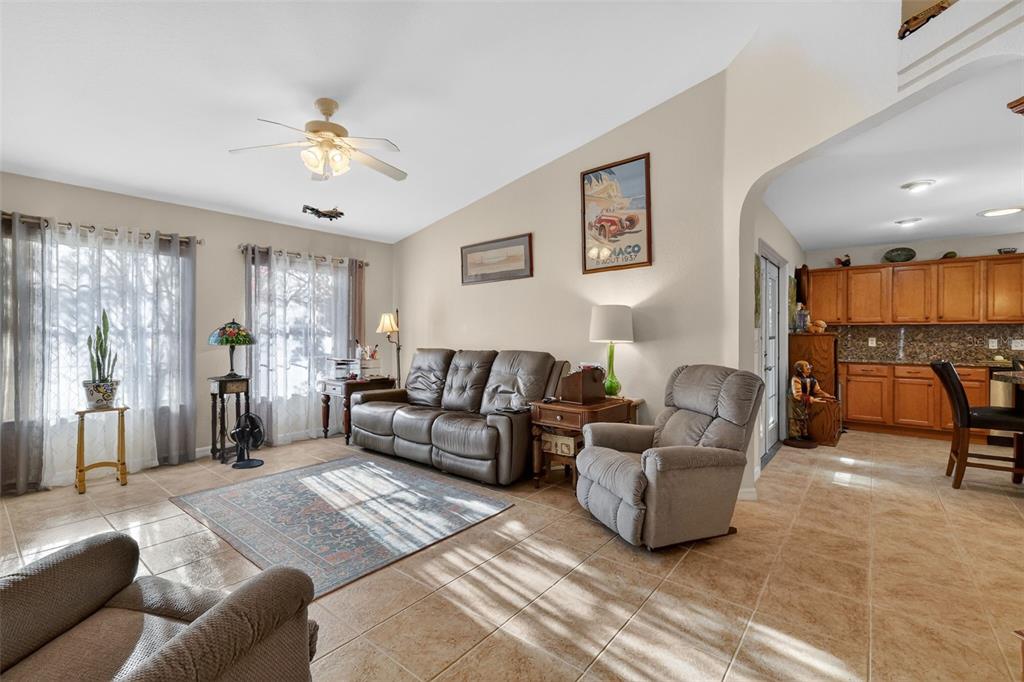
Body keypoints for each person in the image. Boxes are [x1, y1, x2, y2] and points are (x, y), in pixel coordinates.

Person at [787, 360, 835, 441]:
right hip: (796, 401)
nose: (809, 368)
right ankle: (795, 435)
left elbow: (818, 391)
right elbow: (797, 394)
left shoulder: (812, 379)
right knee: (795, 418)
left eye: (809, 366)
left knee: (804, 417)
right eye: (806, 367)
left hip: (805, 401)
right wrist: (812, 399)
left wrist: (827, 396)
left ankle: (804, 434)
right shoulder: (795, 379)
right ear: (799, 369)